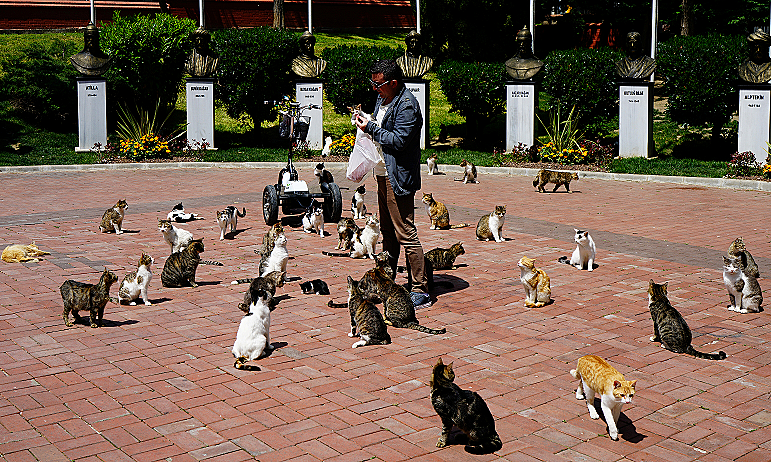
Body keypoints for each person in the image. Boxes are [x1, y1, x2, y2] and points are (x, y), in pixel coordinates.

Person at [353, 59, 431, 309]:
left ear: (393, 82)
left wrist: (372, 128)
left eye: (378, 84)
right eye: (373, 84)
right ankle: (387, 281)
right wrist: (366, 121)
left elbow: (398, 141)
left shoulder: (407, 104)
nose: (375, 89)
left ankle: (420, 289)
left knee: (405, 234)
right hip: (382, 173)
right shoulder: (383, 98)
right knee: (387, 233)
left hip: (398, 176)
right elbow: (380, 126)